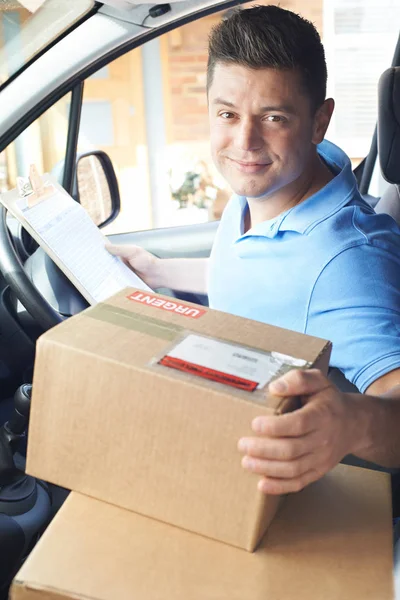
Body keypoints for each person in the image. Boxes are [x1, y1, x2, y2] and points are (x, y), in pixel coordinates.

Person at [107, 5, 400, 496]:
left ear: (319, 120)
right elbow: (262, 277)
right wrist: (157, 268)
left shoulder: (345, 262)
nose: (245, 142)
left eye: (273, 117)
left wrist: (352, 422)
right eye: (227, 114)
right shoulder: (289, 176)